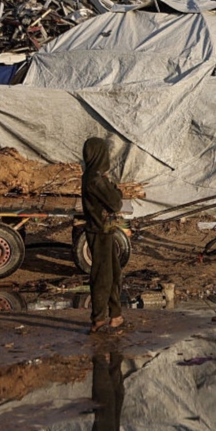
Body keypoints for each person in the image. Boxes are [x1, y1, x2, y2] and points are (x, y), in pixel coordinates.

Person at [81, 137, 125, 335]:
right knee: (102, 277)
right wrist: (115, 189)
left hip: (104, 230)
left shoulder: (91, 175)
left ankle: (116, 315)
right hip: (100, 232)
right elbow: (116, 203)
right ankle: (98, 318)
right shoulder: (96, 179)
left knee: (113, 273)